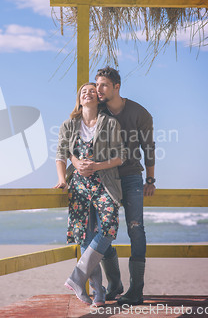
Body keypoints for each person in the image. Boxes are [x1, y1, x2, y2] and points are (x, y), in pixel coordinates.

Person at [73, 67, 156, 306]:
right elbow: (74, 138)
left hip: (130, 177)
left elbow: (149, 148)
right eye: (96, 85)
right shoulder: (96, 110)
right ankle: (115, 283)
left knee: (136, 229)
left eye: (103, 85)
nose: (98, 90)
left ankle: (136, 290)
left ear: (116, 87)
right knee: (103, 229)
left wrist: (150, 180)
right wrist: (77, 164)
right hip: (102, 179)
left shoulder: (140, 113)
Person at [54, 82, 127, 306]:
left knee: (108, 229)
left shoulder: (110, 123)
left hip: (105, 184)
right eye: (83, 91)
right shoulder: (69, 125)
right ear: (79, 99)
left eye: (92, 91)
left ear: (98, 98)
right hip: (78, 187)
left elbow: (121, 155)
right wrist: (62, 179)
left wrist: (96, 166)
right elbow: (61, 153)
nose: (87, 93)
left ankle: (77, 277)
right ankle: (99, 293)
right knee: (85, 238)